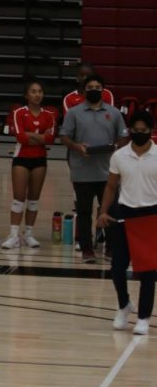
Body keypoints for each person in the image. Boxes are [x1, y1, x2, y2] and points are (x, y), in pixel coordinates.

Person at [98, 111, 157, 336]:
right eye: (135, 130)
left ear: (150, 130)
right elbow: (111, 187)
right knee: (117, 268)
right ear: (129, 130)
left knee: (148, 271)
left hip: (151, 215)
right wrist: (103, 211)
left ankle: (143, 317)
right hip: (125, 214)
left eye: (143, 130)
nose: (139, 134)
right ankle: (124, 305)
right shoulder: (119, 156)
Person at [60, 73, 128, 263]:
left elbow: (123, 136)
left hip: (108, 173)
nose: (94, 90)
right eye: (90, 87)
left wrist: (117, 148)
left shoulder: (114, 113)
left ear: (103, 90)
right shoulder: (74, 113)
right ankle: (87, 250)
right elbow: (64, 136)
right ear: (83, 90)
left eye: (98, 87)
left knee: (111, 211)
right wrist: (76, 147)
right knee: (83, 212)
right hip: (82, 172)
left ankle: (111, 250)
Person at [1, 79, 56, 249]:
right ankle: (14, 235)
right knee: (18, 199)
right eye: (33, 91)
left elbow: (51, 139)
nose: (37, 94)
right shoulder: (19, 113)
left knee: (33, 200)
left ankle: (29, 234)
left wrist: (31, 135)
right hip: (22, 158)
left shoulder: (49, 115)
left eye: (40, 91)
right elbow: (20, 137)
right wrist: (39, 137)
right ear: (26, 95)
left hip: (40, 159)